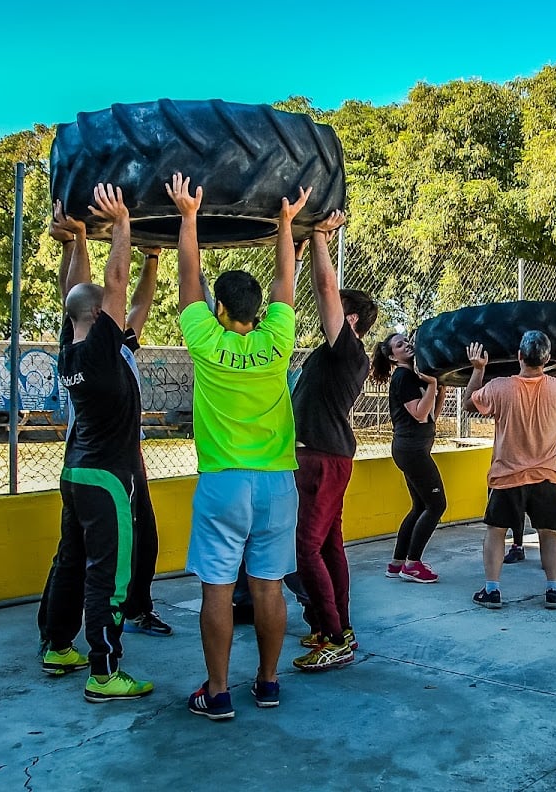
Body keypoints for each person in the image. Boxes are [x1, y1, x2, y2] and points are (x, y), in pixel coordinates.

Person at [167, 172, 304, 719]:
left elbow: (188, 279)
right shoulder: (277, 339)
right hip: (277, 482)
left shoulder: (204, 339)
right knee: (269, 588)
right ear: (257, 312)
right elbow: (286, 283)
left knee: (218, 590)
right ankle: (268, 683)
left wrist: (188, 215)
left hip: (224, 481)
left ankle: (218, 691)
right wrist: (286, 223)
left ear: (219, 310)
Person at [38, 210, 172, 654]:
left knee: (75, 555)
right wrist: (121, 224)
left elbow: (118, 301)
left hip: (79, 469)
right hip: (109, 474)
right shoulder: (99, 351)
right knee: (105, 571)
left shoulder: (72, 348)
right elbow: (113, 284)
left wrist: (78, 239)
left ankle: (57, 646)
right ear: (99, 316)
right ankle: (105, 669)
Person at [290, 212, 379, 671]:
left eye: (335, 310)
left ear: (351, 319)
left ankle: (336, 634)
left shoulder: (348, 349)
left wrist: (322, 236)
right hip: (326, 456)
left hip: (323, 459)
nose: (323, 314)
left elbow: (326, 291)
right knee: (327, 547)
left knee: (304, 549)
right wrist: (297, 252)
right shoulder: (334, 353)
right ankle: (335, 625)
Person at [464, 332, 556, 610]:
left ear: (519, 356)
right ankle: (554, 590)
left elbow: (469, 404)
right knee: (549, 532)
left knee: (495, 531)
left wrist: (478, 369)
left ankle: (492, 591)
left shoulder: (500, 387)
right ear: (547, 359)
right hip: (547, 476)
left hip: (507, 477)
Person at [371, 332, 447, 583]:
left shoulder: (414, 376)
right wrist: (433, 387)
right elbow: (417, 413)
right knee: (436, 505)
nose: (407, 345)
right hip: (412, 450)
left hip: (413, 448)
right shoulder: (403, 377)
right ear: (393, 356)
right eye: (400, 345)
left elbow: (430, 416)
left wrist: (439, 390)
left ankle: (396, 564)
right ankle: (412, 564)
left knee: (420, 506)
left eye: (407, 340)